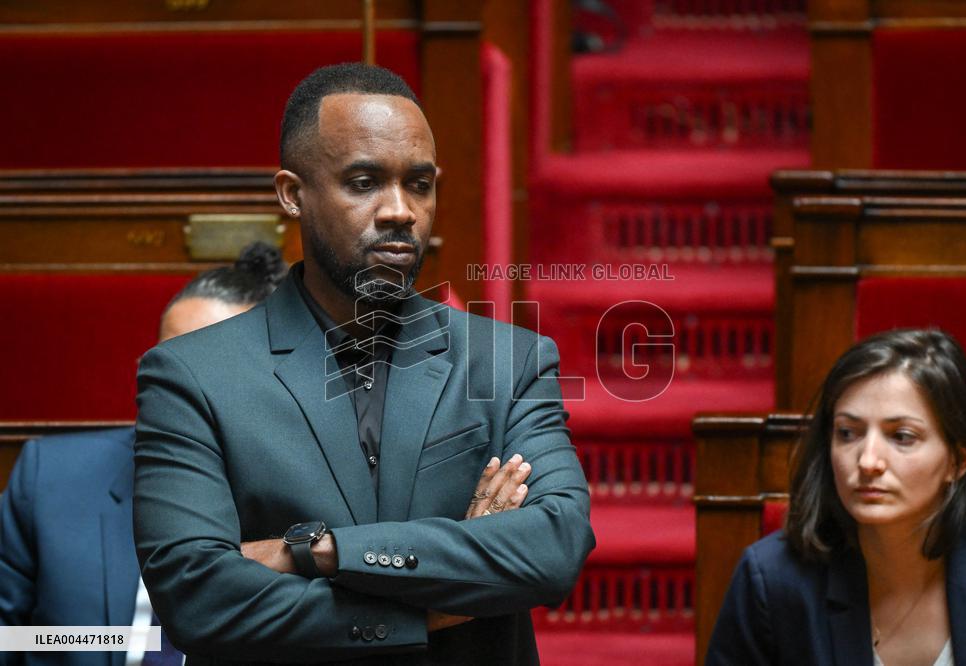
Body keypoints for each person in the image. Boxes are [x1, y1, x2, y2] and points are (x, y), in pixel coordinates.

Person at [131, 62, 595, 665]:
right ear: (292, 194)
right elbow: (197, 596)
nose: (400, 210)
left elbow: (554, 548)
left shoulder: (509, 361)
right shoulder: (191, 374)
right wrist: (447, 592)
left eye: (420, 184)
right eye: (364, 181)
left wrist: (314, 551)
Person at [0, 242, 288, 666]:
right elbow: (12, 639)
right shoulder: (51, 478)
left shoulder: (321, 494)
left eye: (212, 375)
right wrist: (106, 641)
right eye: (166, 368)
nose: (180, 392)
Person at [706, 328, 966, 666]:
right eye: (848, 433)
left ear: (957, 461)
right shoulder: (773, 581)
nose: (868, 461)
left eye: (902, 437)